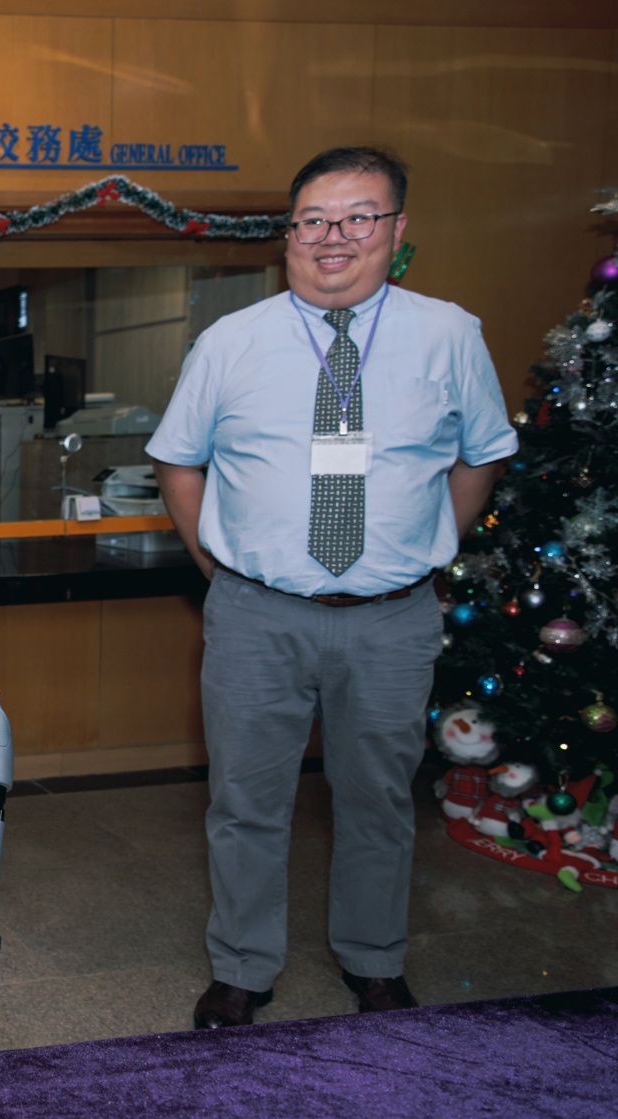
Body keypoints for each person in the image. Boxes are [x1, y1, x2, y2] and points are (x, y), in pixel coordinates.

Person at [147, 146, 516, 1029]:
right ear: (289, 236)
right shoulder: (230, 341)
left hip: (392, 619)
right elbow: (179, 464)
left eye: (358, 217)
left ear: (397, 228)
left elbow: (481, 457)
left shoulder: (449, 335)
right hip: (255, 616)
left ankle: (374, 961)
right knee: (245, 802)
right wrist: (216, 568)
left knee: (380, 800)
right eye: (313, 220)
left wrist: (428, 551)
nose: (334, 237)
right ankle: (243, 967)